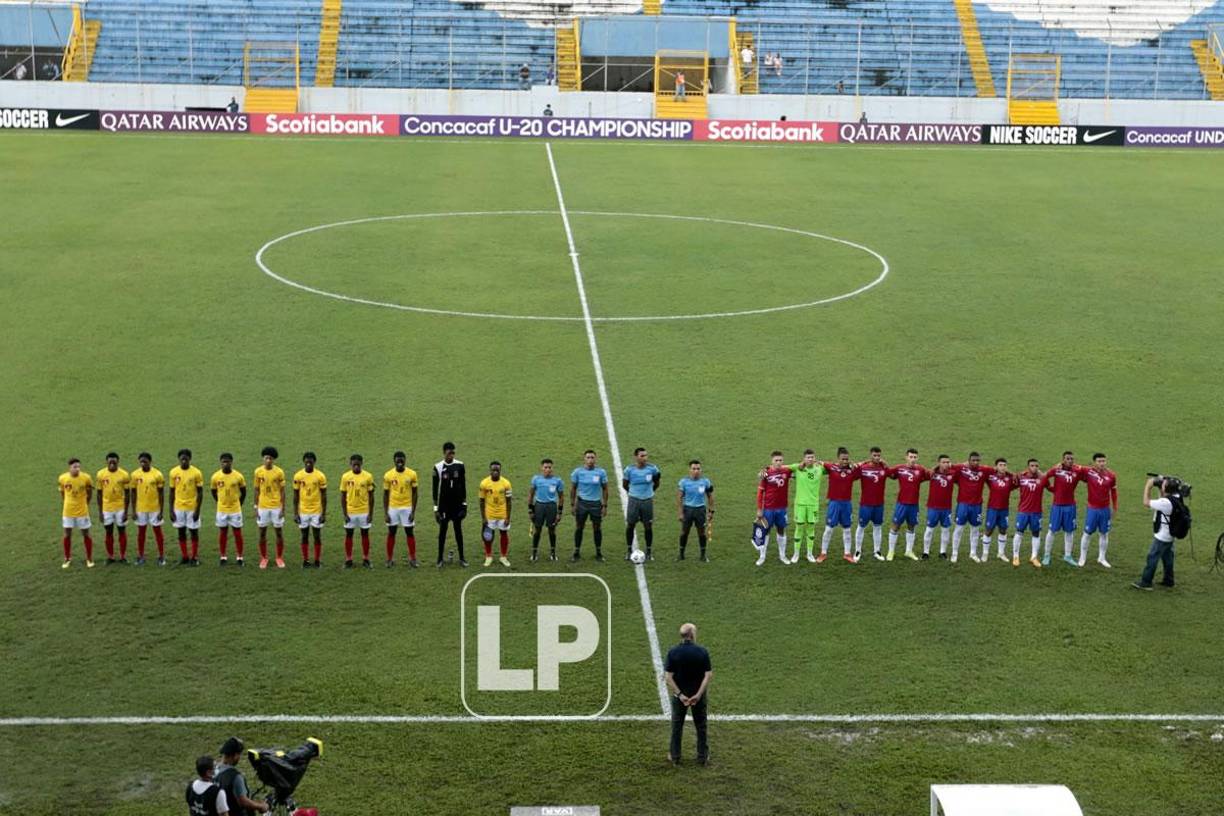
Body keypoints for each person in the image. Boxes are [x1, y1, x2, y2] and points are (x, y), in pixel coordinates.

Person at [665, 622, 711, 766]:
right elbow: (708, 675)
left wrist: (680, 695)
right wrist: (698, 694)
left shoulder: (673, 652)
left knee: (677, 726)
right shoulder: (702, 652)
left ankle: (675, 756)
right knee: (701, 726)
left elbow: (668, 677)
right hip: (698, 695)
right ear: (691, 635)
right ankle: (702, 756)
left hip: (680, 697)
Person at [1134, 476, 1179, 590]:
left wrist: (1148, 486)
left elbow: (1146, 502)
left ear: (1167, 488)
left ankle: (1146, 582)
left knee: (1152, 557)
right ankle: (1169, 580)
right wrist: (1161, 487)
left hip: (1162, 536)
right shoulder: (1177, 496)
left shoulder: (1165, 503)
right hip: (1171, 534)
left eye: (1164, 484)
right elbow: (1164, 498)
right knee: (1168, 558)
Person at [819, 447, 860, 563]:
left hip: (847, 503)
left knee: (847, 529)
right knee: (828, 529)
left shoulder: (852, 470)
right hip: (834, 503)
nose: (845, 461)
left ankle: (847, 554)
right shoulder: (831, 467)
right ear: (838, 458)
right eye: (843, 459)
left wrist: (854, 465)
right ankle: (823, 553)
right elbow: (816, 462)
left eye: (847, 459)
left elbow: (865, 465)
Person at [886, 448, 928, 561]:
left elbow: (929, 475)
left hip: (914, 504)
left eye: (915, 457)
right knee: (895, 526)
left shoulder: (920, 469)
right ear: (906, 457)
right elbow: (889, 473)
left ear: (917, 458)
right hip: (901, 503)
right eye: (911, 457)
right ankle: (891, 551)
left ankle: (908, 551)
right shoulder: (899, 468)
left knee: (911, 526)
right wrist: (882, 463)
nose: (913, 459)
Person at [1045, 451, 1085, 567]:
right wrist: (1050, 488)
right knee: (1052, 531)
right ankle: (1047, 555)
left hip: (1070, 506)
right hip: (1057, 506)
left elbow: (1088, 477)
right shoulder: (1056, 469)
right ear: (1063, 459)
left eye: (1072, 459)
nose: (1070, 461)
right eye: (1067, 459)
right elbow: (1044, 476)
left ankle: (1067, 556)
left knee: (1069, 531)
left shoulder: (1077, 471)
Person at [950, 452, 992, 563]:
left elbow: (998, 469)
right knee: (958, 529)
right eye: (973, 460)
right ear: (968, 460)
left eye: (978, 460)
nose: (976, 462)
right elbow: (948, 466)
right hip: (963, 505)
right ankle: (954, 553)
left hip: (977, 505)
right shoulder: (961, 468)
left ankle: (973, 553)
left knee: (975, 530)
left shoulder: (984, 470)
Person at [623, 447, 661, 561]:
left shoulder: (653, 469)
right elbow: (625, 484)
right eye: (642, 456)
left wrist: (650, 492)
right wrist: (634, 493)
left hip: (647, 501)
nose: (645, 458)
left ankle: (649, 551)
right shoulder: (629, 470)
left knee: (648, 526)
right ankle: (629, 550)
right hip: (634, 500)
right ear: (636, 457)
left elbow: (657, 482)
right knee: (630, 525)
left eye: (646, 455)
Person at [433, 442, 468, 567]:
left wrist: (464, 505)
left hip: (457, 505)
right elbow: (434, 489)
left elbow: (463, 485)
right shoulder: (438, 467)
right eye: (449, 453)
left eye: (453, 453)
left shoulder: (460, 465)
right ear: (444, 453)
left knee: (458, 531)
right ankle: (439, 558)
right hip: (444, 506)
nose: (451, 455)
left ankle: (462, 558)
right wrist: (436, 509)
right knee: (443, 531)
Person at [569, 449, 608, 561]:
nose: (590, 460)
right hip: (582, 503)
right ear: (584, 459)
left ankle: (598, 552)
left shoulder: (601, 472)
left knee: (597, 528)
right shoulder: (577, 472)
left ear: (595, 459)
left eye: (592, 457)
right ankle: (576, 552)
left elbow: (605, 489)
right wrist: (572, 504)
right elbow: (573, 488)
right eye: (588, 457)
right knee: (579, 527)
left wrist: (605, 506)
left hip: (596, 504)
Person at [754, 451, 792, 566]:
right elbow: (760, 493)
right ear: (772, 461)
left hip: (782, 508)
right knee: (766, 531)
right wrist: (759, 509)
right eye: (776, 460)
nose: (779, 462)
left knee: (781, 530)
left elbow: (798, 467)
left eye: (780, 460)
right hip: (769, 509)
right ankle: (762, 556)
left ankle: (782, 555)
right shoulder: (766, 474)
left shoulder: (787, 471)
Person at [215, 737, 270, 816]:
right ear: (235, 755)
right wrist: (260, 806)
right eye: (239, 754)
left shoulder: (213, 770)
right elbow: (243, 802)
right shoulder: (235, 777)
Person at [1081, 453, 1118, 568]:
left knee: (1104, 533)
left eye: (1103, 461)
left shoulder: (1111, 475)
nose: (1102, 463)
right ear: (1094, 462)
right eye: (1099, 461)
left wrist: (1115, 507)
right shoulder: (1088, 472)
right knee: (1087, 534)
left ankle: (1102, 558)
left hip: (1105, 509)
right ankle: (1082, 557)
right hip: (1092, 508)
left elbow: (1114, 492)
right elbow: (1075, 468)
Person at [383, 451, 419, 568]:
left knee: (409, 532)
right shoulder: (388, 475)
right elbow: (385, 494)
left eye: (402, 460)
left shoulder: (412, 474)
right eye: (398, 460)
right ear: (394, 461)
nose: (400, 462)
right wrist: (386, 512)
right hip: (393, 508)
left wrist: (413, 511)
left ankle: (412, 559)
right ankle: (389, 559)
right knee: (391, 532)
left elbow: (415, 493)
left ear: (405, 460)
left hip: (407, 508)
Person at [169, 449, 205, 566]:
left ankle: (194, 557)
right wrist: (171, 510)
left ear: (190, 459)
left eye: (186, 459)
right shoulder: (174, 472)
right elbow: (171, 492)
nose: (184, 461)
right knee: (181, 532)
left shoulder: (196, 473)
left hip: (191, 508)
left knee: (194, 532)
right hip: (178, 508)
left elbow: (200, 493)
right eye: (182, 459)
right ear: (179, 459)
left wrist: (197, 511)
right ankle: (185, 557)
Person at [253, 446, 287, 569]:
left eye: (270, 458)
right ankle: (264, 558)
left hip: (276, 507)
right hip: (262, 507)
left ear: (273, 460)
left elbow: (283, 491)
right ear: (263, 458)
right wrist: (255, 506)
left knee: (279, 532)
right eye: (266, 458)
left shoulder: (279, 472)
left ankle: (279, 557)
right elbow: (256, 490)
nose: (268, 460)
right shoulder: (258, 472)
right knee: (262, 532)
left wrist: (283, 508)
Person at [210, 453, 246, 567]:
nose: (226, 464)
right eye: (223, 462)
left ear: (231, 462)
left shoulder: (238, 476)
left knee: (237, 533)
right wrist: (219, 502)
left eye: (228, 461)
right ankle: (223, 556)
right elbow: (213, 491)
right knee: (223, 533)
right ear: (220, 462)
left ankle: (240, 557)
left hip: (235, 510)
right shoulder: (215, 477)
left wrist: (239, 504)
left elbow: (243, 491)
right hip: (222, 510)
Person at [130, 452, 166, 566]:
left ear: (150, 462)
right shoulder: (135, 475)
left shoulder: (157, 474)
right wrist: (133, 510)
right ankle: (141, 556)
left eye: (145, 461)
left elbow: (161, 494)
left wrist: (161, 510)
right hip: (140, 509)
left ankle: (161, 556)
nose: (143, 463)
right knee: (141, 533)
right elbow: (133, 493)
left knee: (158, 532)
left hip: (154, 509)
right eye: (141, 461)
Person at [293, 452, 327, 568]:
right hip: (303, 512)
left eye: (310, 461)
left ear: (314, 462)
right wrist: (295, 513)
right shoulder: (298, 476)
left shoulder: (320, 476)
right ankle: (305, 560)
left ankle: (317, 560)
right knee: (304, 536)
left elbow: (324, 496)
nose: (308, 463)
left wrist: (323, 513)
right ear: (304, 462)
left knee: (317, 536)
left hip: (316, 511)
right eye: (306, 461)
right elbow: (295, 496)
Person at [95, 452, 131, 564]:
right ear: (107, 462)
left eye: (114, 461)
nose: (112, 463)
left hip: (120, 508)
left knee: (122, 531)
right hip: (107, 509)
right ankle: (110, 556)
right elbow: (99, 494)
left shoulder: (124, 475)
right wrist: (100, 512)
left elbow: (128, 494)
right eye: (110, 461)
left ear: (118, 462)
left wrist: (126, 511)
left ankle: (123, 556)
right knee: (108, 532)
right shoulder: (101, 474)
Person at [58, 458, 94, 568]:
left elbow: (90, 491)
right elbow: (62, 493)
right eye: (75, 467)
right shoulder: (63, 478)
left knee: (86, 534)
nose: (77, 469)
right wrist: (66, 503)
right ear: (70, 467)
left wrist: (86, 503)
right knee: (67, 534)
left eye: (79, 466)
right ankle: (67, 558)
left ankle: (89, 558)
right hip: (68, 512)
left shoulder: (86, 478)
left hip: (82, 511)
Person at [1015, 459, 1051, 567]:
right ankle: (1016, 556)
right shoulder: (1021, 476)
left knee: (1036, 533)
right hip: (1023, 511)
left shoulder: (1043, 478)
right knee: (1019, 532)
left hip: (1036, 512)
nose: (1034, 467)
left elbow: (1050, 488)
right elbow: (1011, 484)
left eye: (1036, 465)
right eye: (1032, 465)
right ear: (1028, 466)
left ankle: (1034, 557)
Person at [341, 454, 375, 568]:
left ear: (361, 464)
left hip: (364, 511)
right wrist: (345, 514)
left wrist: (370, 513)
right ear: (350, 464)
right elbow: (342, 496)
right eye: (354, 464)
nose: (356, 467)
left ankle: (366, 558)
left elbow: (371, 496)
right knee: (349, 534)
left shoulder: (368, 477)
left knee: (365, 534)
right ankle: (348, 559)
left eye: (358, 464)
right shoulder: (345, 477)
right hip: (350, 511)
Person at [787, 449, 821, 563]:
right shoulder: (797, 467)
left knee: (811, 528)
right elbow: (781, 467)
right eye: (808, 457)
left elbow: (835, 466)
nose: (810, 459)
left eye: (812, 457)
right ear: (804, 459)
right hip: (800, 504)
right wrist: (766, 469)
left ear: (814, 458)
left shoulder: (820, 468)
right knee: (799, 527)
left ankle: (809, 554)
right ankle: (796, 554)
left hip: (813, 505)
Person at [676, 459, 714, 562]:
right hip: (688, 510)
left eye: (698, 468)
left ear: (701, 470)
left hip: (700, 510)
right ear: (690, 470)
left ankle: (703, 555)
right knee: (684, 532)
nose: (696, 471)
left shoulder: (705, 482)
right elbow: (679, 497)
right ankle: (681, 554)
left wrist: (710, 511)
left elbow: (710, 497)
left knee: (701, 533)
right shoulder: (684, 482)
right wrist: (680, 513)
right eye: (694, 468)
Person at [528, 458, 564, 562]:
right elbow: (531, 494)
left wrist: (559, 512)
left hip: (551, 507)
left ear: (552, 468)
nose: (547, 469)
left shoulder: (557, 481)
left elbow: (561, 497)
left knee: (552, 531)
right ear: (541, 468)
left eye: (549, 467)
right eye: (545, 467)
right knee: (537, 530)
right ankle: (534, 553)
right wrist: (530, 510)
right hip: (539, 506)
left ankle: (553, 553)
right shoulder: (536, 479)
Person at [855, 447, 888, 562]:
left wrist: (886, 465)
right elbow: (853, 475)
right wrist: (860, 464)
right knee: (861, 526)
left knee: (878, 527)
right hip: (866, 504)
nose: (877, 458)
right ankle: (857, 551)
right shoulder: (863, 468)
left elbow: (892, 473)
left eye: (879, 455)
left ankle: (877, 551)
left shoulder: (884, 468)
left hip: (879, 504)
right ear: (870, 455)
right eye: (875, 455)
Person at [983, 458, 1019, 564]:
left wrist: (1011, 473)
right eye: (1000, 465)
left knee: (1003, 530)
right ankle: (985, 553)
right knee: (989, 530)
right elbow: (983, 469)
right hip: (992, 509)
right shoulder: (990, 477)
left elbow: (1019, 479)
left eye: (1004, 465)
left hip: (1004, 509)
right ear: (996, 466)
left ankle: (1001, 553)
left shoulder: (1010, 478)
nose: (1003, 467)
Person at [479, 461, 513, 567]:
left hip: (502, 514)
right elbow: (481, 501)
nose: (495, 472)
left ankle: (503, 556)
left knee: (503, 534)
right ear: (490, 470)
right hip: (490, 515)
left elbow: (509, 501)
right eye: (493, 470)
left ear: (500, 471)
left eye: (497, 470)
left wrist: (508, 517)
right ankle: (488, 556)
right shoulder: (484, 483)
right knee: (488, 536)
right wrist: (483, 517)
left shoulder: (506, 483)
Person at [923, 455, 956, 559]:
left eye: (948, 462)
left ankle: (943, 552)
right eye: (944, 462)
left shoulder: (953, 473)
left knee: (945, 530)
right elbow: (923, 474)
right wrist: (933, 468)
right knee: (929, 530)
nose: (946, 464)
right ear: (939, 463)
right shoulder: (932, 473)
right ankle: (925, 552)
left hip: (946, 508)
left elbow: (963, 467)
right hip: (933, 507)